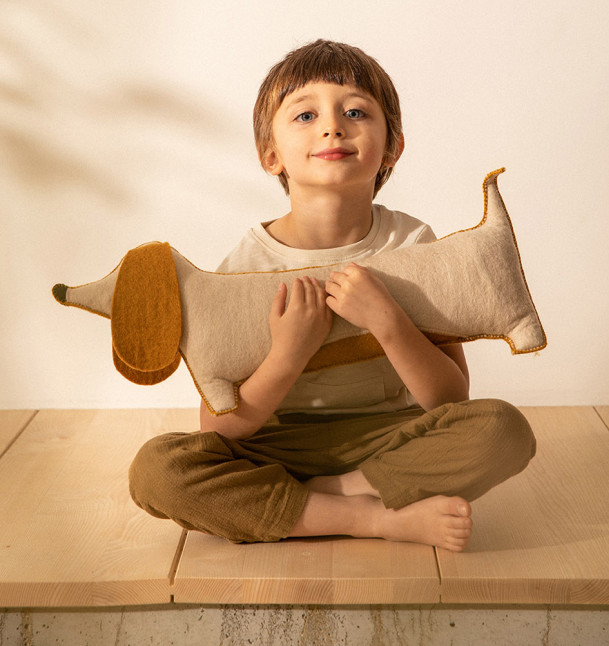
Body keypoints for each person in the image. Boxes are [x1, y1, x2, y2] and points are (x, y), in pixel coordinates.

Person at [129, 39, 535, 551]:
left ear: (393, 147)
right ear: (270, 155)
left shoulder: (412, 246)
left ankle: (308, 504)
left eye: (355, 110)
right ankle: (375, 517)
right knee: (157, 470)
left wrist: (388, 321)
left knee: (504, 429)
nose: (332, 126)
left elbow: (450, 398)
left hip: (392, 437)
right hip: (275, 447)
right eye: (304, 115)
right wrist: (290, 352)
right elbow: (222, 425)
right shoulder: (245, 267)